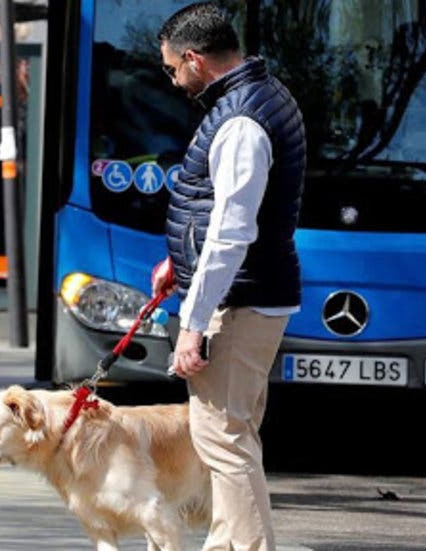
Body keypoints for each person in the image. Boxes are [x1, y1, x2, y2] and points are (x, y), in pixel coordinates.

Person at [151, 3, 305, 550]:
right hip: (257, 294)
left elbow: (232, 233)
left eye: (172, 69)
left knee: (222, 441)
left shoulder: (239, 121)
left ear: (195, 59)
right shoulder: (263, 96)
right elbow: (225, 216)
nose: (173, 80)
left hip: (240, 303)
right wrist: (180, 262)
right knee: (234, 440)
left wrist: (192, 326)